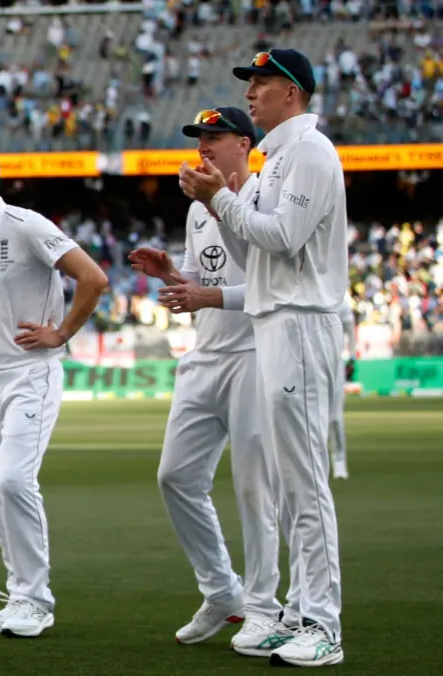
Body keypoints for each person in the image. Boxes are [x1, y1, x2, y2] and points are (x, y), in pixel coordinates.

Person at [179, 49, 347, 668]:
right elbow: (257, 253)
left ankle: (323, 625)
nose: (251, 93)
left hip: (300, 322)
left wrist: (220, 201)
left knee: (304, 483)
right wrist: (219, 202)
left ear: (293, 92)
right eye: (250, 84)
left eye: (262, 82)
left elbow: (283, 237)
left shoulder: (310, 152)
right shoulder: (279, 158)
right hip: (274, 321)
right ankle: (297, 614)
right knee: (289, 483)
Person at [130, 107, 291, 657]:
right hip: (205, 355)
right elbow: (201, 279)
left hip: (253, 354)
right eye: (199, 139)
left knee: (254, 487)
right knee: (175, 476)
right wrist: (171, 276)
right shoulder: (198, 208)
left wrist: (207, 295)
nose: (203, 147)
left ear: (244, 144)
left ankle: (264, 607)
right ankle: (223, 591)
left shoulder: (265, 197)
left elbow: (274, 284)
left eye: (214, 138)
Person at [0, 145, 108, 638]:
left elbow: (93, 278)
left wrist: (62, 332)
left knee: (14, 480)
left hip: (32, 372)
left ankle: (37, 601)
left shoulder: (28, 225)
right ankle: (19, 596)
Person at [330, 301, 354, 480]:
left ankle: (339, 463)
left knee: (336, 417)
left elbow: (351, 330)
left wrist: (352, 357)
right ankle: (316, 461)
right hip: (311, 364)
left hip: (335, 365)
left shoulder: (341, 303)